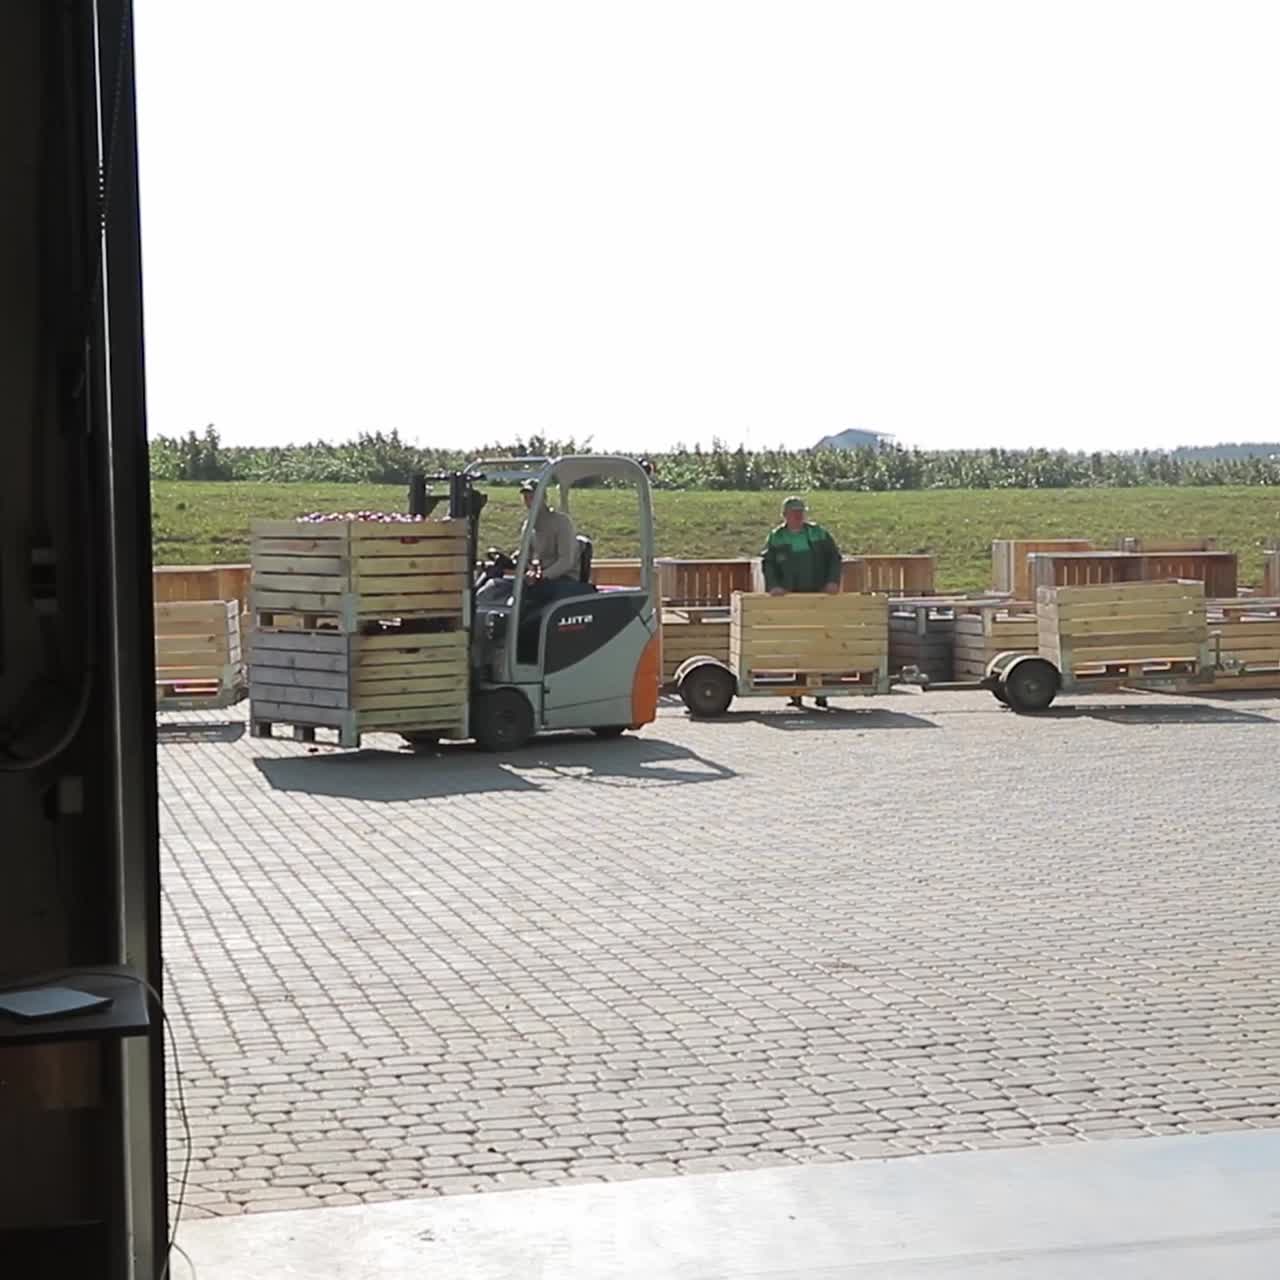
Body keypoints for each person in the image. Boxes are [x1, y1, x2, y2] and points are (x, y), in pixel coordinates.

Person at [760, 496, 842, 708]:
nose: (799, 516)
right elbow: (768, 564)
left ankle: (820, 691)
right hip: (791, 599)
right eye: (794, 513)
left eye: (801, 512)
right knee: (794, 644)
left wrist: (832, 582)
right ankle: (795, 693)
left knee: (819, 643)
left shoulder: (818, 533)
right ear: (785, 515)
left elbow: (834, 557)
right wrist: (774, 586)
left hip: (818, 597)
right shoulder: (776, 537)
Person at [519, 478, 581, 605]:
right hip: (540, 578)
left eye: (533, 497)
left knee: (530, 596)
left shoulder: (561, 522)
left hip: (564, 579)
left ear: (544, 497)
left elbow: (566, 561)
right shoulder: (528, 526)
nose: (529, 501)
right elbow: (525, 556)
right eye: (526, 497)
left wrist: (542, 576)